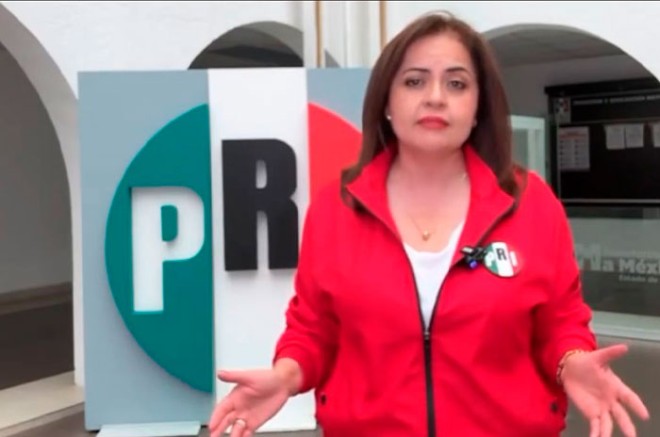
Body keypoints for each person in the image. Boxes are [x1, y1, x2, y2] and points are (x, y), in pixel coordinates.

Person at [208, 11, 650, 437]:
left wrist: (571, 361)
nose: (435, 96)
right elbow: (314, 328)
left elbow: (560, 321)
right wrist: (285, 376)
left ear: (478, 107)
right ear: (386, 102)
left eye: (456, 83)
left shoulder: (530, 203)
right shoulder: (336, 208)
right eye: (414, 81)